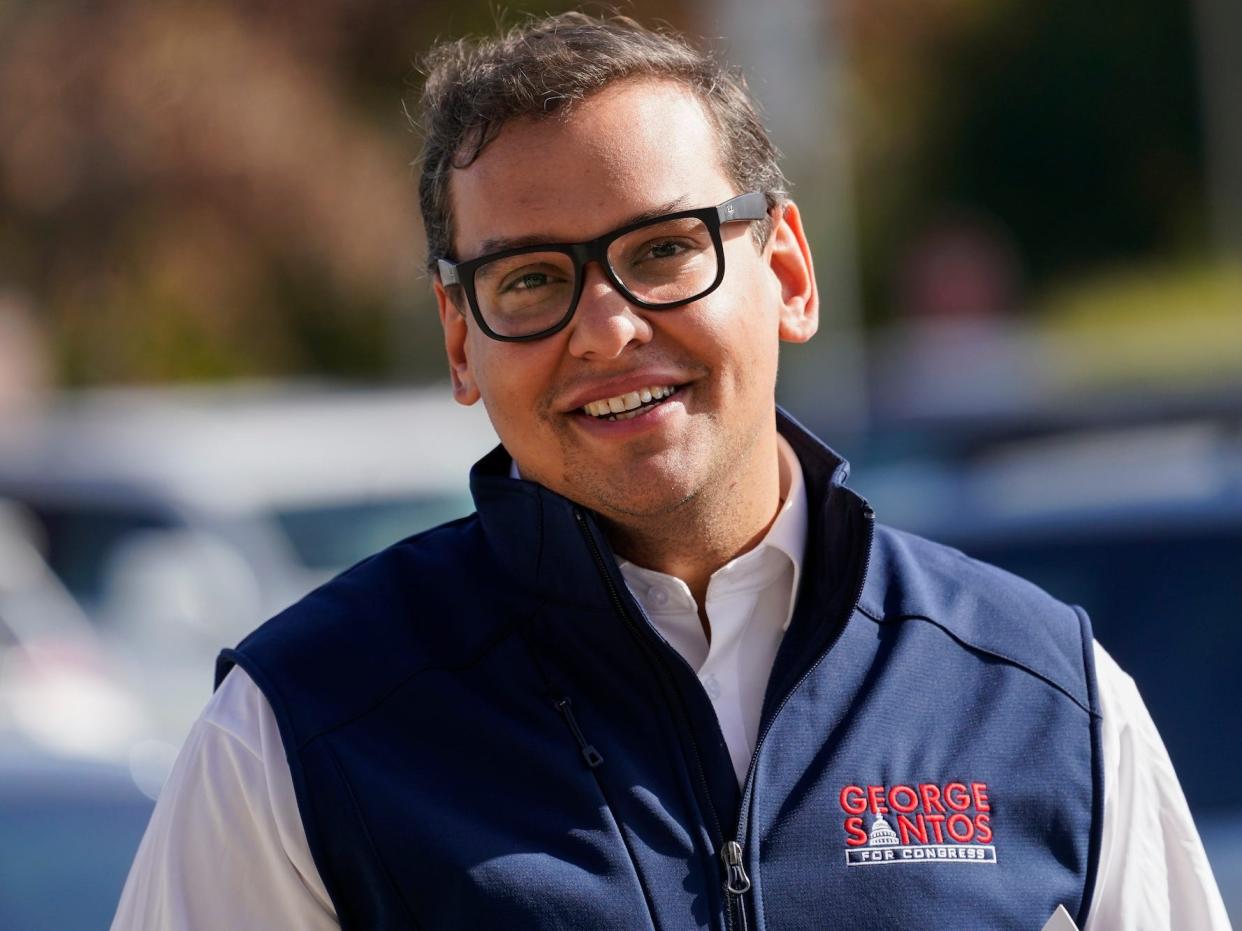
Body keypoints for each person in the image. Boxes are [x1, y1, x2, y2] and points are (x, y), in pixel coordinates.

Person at [113, 13, 1228, 931]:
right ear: (461, 341)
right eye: (530, 280)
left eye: (662, 251)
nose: (604, 328)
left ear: (786, 270)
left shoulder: (1049, 699)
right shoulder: (300, 732)